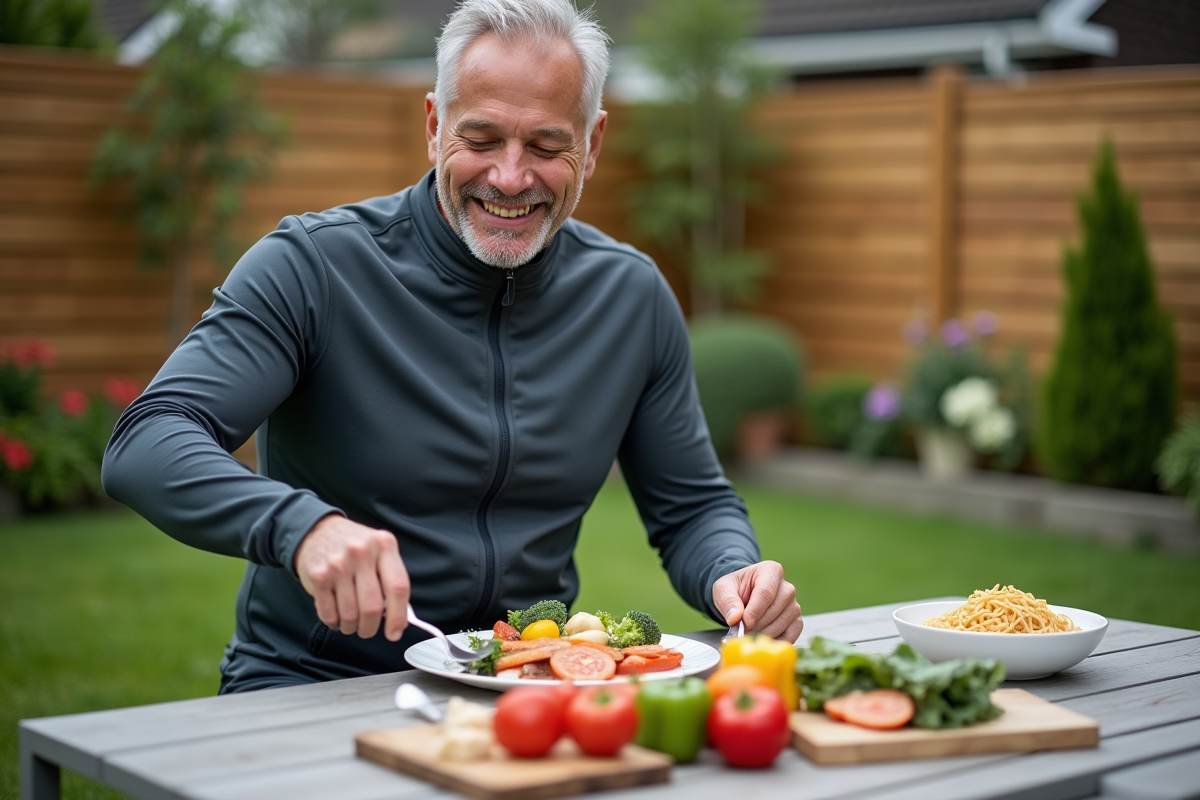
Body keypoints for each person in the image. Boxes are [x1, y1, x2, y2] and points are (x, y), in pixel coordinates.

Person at [103, 0, 803, 693]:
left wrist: (732, 571)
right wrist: (301, 526)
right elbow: (149, 439)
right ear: (435, 125)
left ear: (592, 146)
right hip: (311, 679)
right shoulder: (312, 267)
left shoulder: (631, 296)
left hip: (525, 680)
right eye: (482, 137)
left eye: (546, 146)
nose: (508, 176)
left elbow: (691, 508)